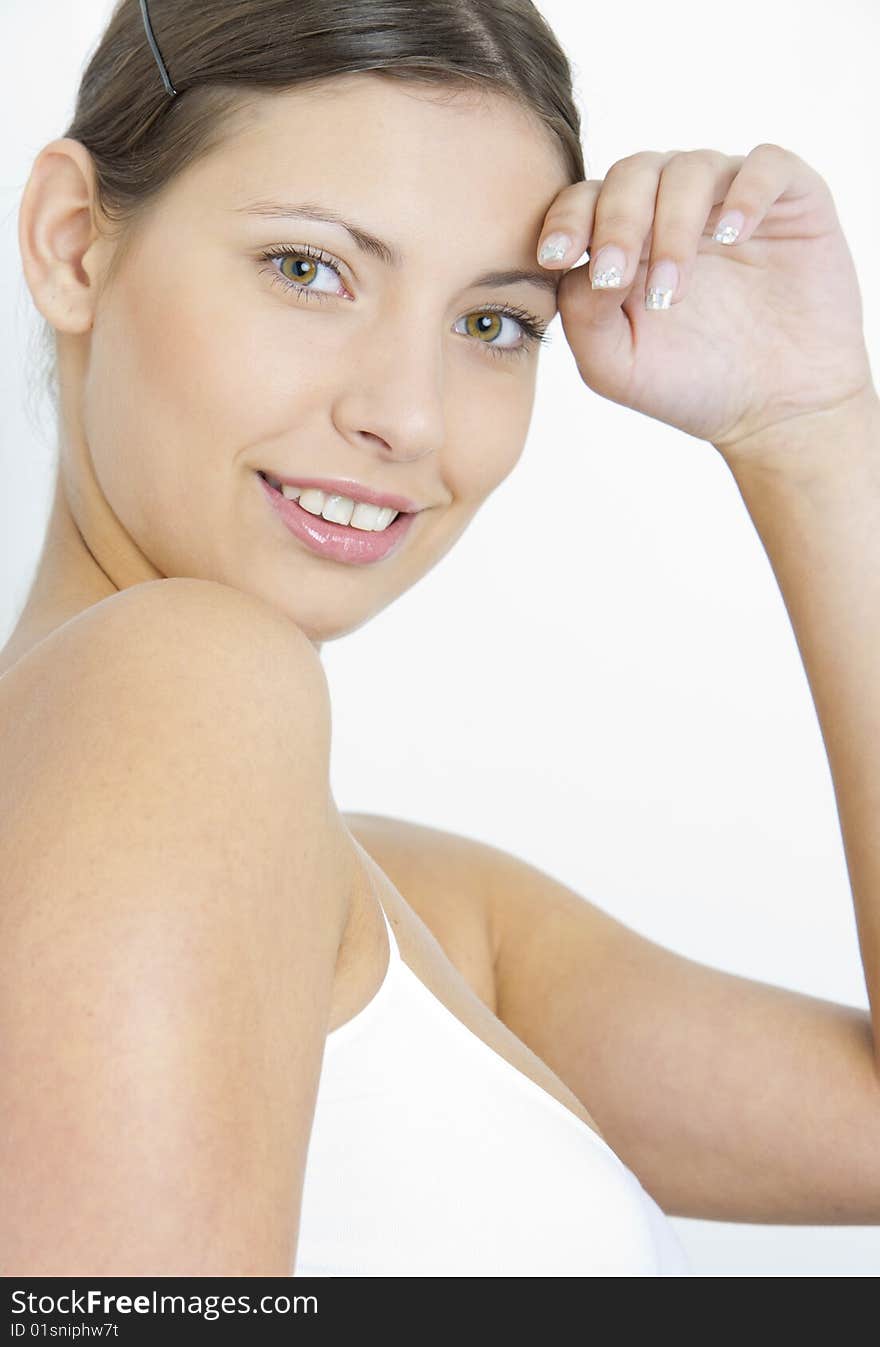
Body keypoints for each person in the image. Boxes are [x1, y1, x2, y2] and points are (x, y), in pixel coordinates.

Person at [2, 0, 878, 1277]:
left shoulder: (429, 911)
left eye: (493, 324)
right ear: (75, 244)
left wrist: (806, 424)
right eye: (309, 268)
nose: (407, 416)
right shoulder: (184, 674)